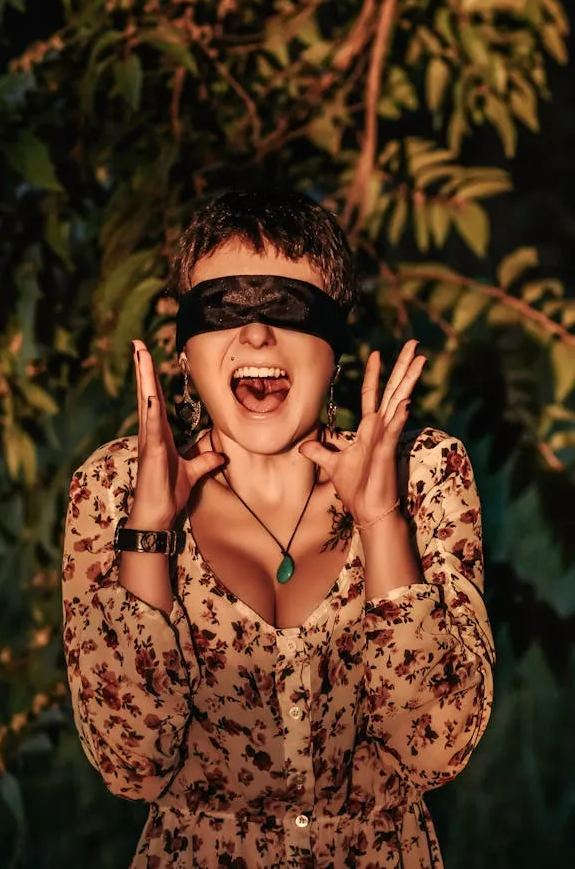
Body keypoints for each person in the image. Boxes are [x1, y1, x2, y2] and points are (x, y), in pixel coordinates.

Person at [62, 189, 494, 868]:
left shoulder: (423, 476)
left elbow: (437, 749)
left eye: (288, 307)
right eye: (227, 307)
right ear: (185, 349)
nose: (257, 334)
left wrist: (381, 523)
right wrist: (149, 531)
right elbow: (130, 766)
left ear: (334, 348)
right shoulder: (114, 488)